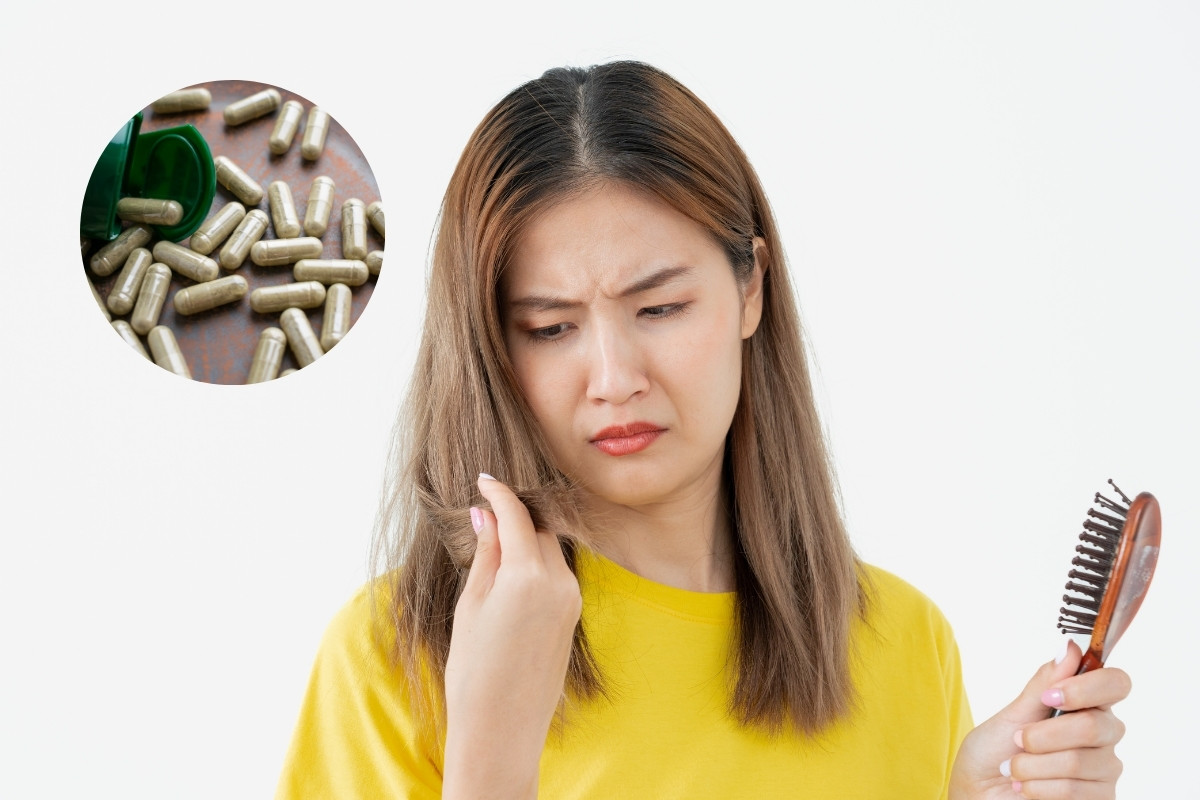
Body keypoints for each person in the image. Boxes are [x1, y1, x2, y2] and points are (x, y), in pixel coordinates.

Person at [275, 61, 1131, 800]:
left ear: (751, 287)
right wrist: (492, 756)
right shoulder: (403, 654)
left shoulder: (904, 642)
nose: (614, 379)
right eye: (550, 328)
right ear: (491, 345)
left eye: (661, 308)